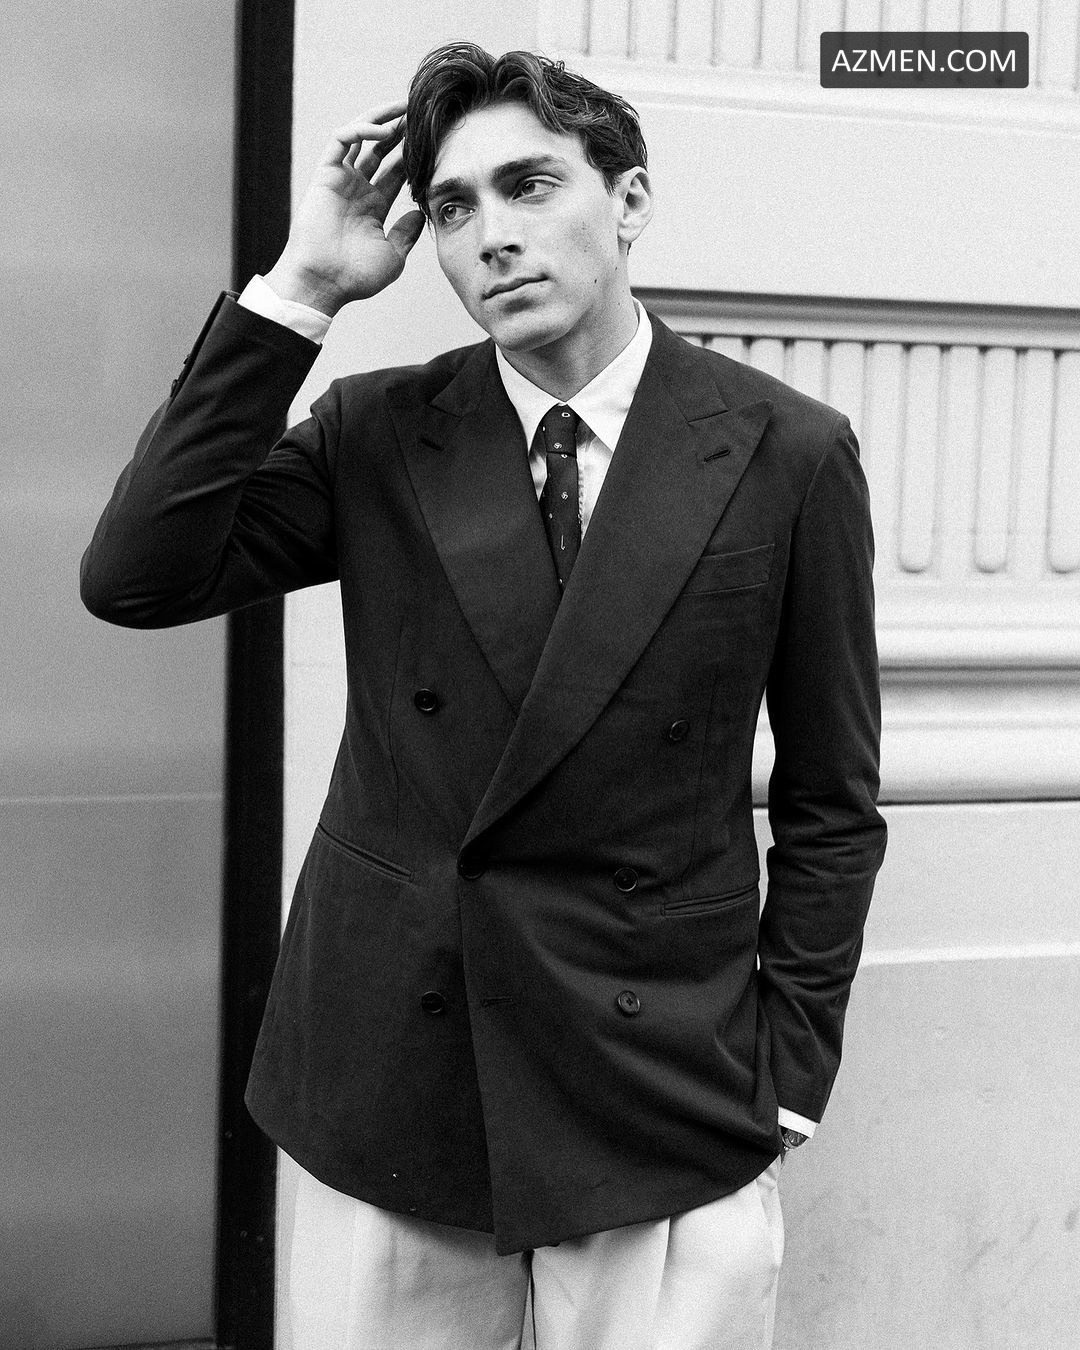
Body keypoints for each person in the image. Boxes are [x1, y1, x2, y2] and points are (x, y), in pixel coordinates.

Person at [81, 42, 886, 1350]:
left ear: (628, 198)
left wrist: (788, 1071)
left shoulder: (786, 451)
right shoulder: (378, 432)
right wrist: (303, 289)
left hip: (664, 1077)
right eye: (453, 207)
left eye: (530, 185)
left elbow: (832, 800)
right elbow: (138, 572)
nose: (491, 235)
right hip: (397, 1069)